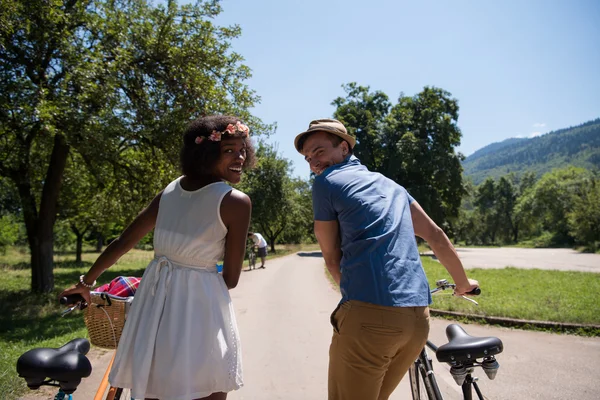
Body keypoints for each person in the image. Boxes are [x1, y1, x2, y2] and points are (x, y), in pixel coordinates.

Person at [60, 115, 255, 400]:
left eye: (242, 149)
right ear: (205, 153)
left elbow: (124, 241)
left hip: (153, 304)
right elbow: (232, 279)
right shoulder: (235, 201)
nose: (240, 156)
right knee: (206, 385)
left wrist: (86, 282)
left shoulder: (170, 190)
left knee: (152, 382)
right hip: (199, 306)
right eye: (229, 150)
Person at [294, 118, 479, 400]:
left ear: (344, 148)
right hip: (418, 320)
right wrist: (463, 283)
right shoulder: (392, 186)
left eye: (319, 152)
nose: (313, 163)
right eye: (308, 158)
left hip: (369, 317)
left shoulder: (326, 183)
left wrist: (359, 301)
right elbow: (435, 234)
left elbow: (331, 257)